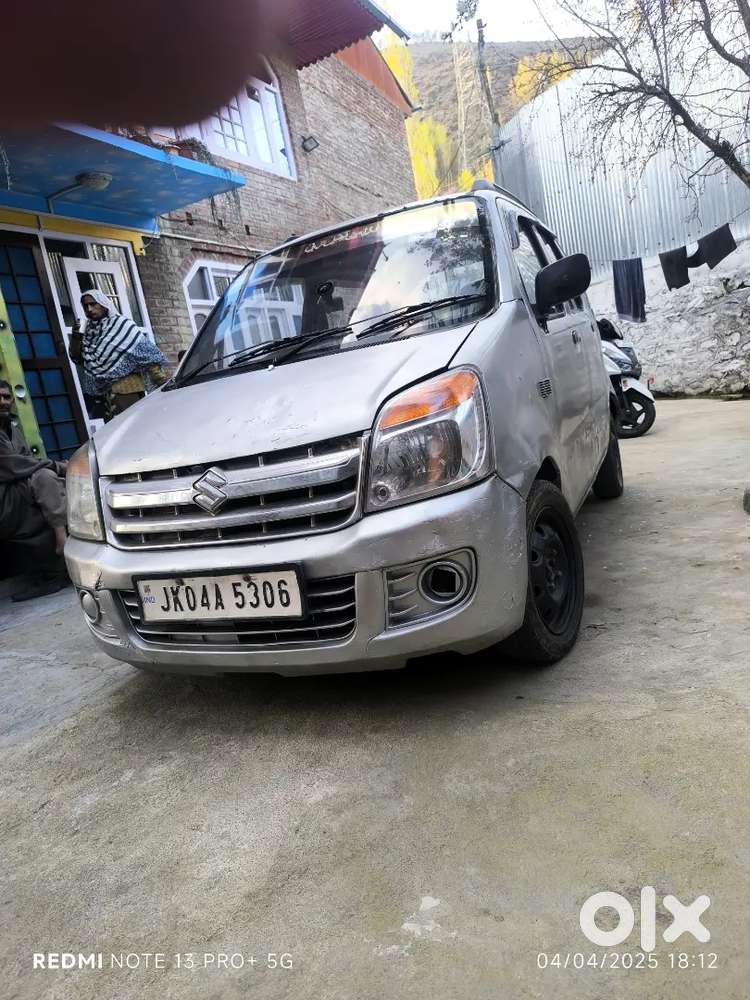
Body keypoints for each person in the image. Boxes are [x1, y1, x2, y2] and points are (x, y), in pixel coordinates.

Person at [0, 380, 69, 600]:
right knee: (46, 476)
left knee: (49, 480)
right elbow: (13, 465)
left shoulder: (11, 428)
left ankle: (62, 553)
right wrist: (58, 466)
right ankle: (60, 547)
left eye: (6, 397)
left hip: (15, 487)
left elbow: (27, 462)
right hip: (4, 498)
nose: (3, 402)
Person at [69, 291, 169, 420]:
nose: (89, 309)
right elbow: (77, 359)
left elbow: (148, 355)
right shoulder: (88, 332)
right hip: (104, 396)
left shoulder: (122, 325)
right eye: (85, 306)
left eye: (93, 304)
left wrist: (161, 380)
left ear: (103, 304)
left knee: (134, 430)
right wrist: (76, 337)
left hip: (128, 391)